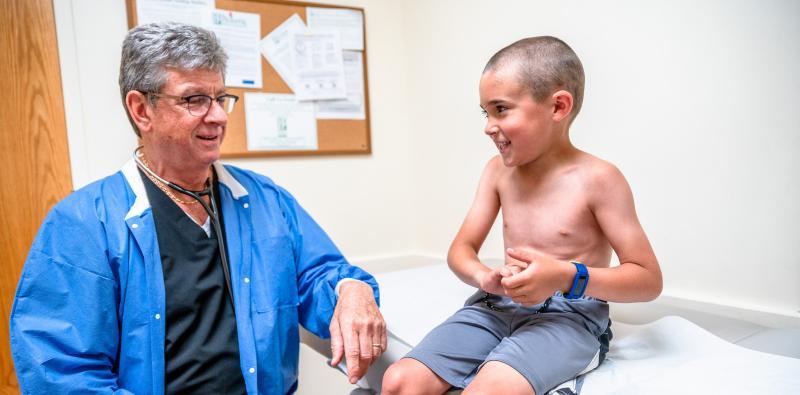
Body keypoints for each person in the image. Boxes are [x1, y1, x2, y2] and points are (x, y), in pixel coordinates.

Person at [10, 22, 385, 394]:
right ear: (142, 110)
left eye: (220, 98)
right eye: (194, 100)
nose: (219, 116)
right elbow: (61, 374)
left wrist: (351, 289)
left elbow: (318, 274)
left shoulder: (264, 200)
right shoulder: (82, 223)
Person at [381, 36, 662, 395]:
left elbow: (647, 279)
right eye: (486, 112)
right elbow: (461, 250)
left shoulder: (599, 179)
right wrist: (484, 277)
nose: (488, 125)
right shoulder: (497, 172)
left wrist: (565, 275)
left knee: (488, 390)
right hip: (496, 306)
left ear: (558, 106)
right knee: (398, 382)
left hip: (569, 316)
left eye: (501, 109)